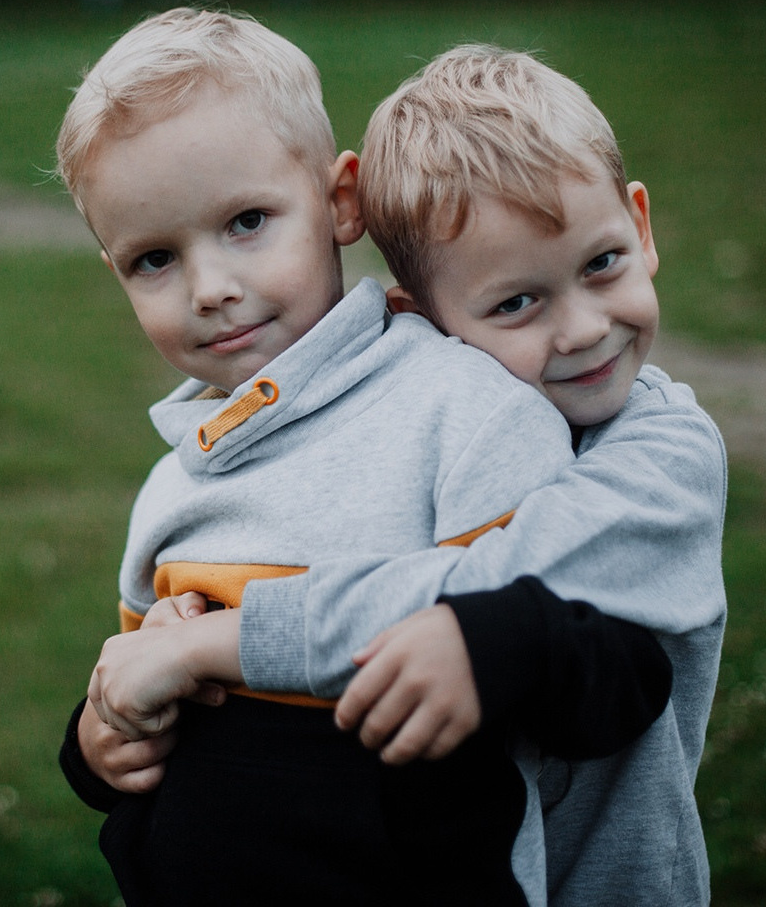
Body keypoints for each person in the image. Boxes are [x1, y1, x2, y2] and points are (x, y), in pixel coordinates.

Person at [56, 11, 673, 907]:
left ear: (341, 201)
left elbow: (601, 669)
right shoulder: (175, 481)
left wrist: (484, 646)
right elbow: (144, 681)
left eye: (247, 222)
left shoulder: (458, 408)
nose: (211, 288)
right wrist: (98, 744)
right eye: (155, 258)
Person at [259, 44, 727, 905]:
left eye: (601, 264)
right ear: (424, 320)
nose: (584, 330)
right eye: (517, 303)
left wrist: (219, 639)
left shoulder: (668, 454)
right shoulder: (439, 447)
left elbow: (483, 591)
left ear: (642, 227)